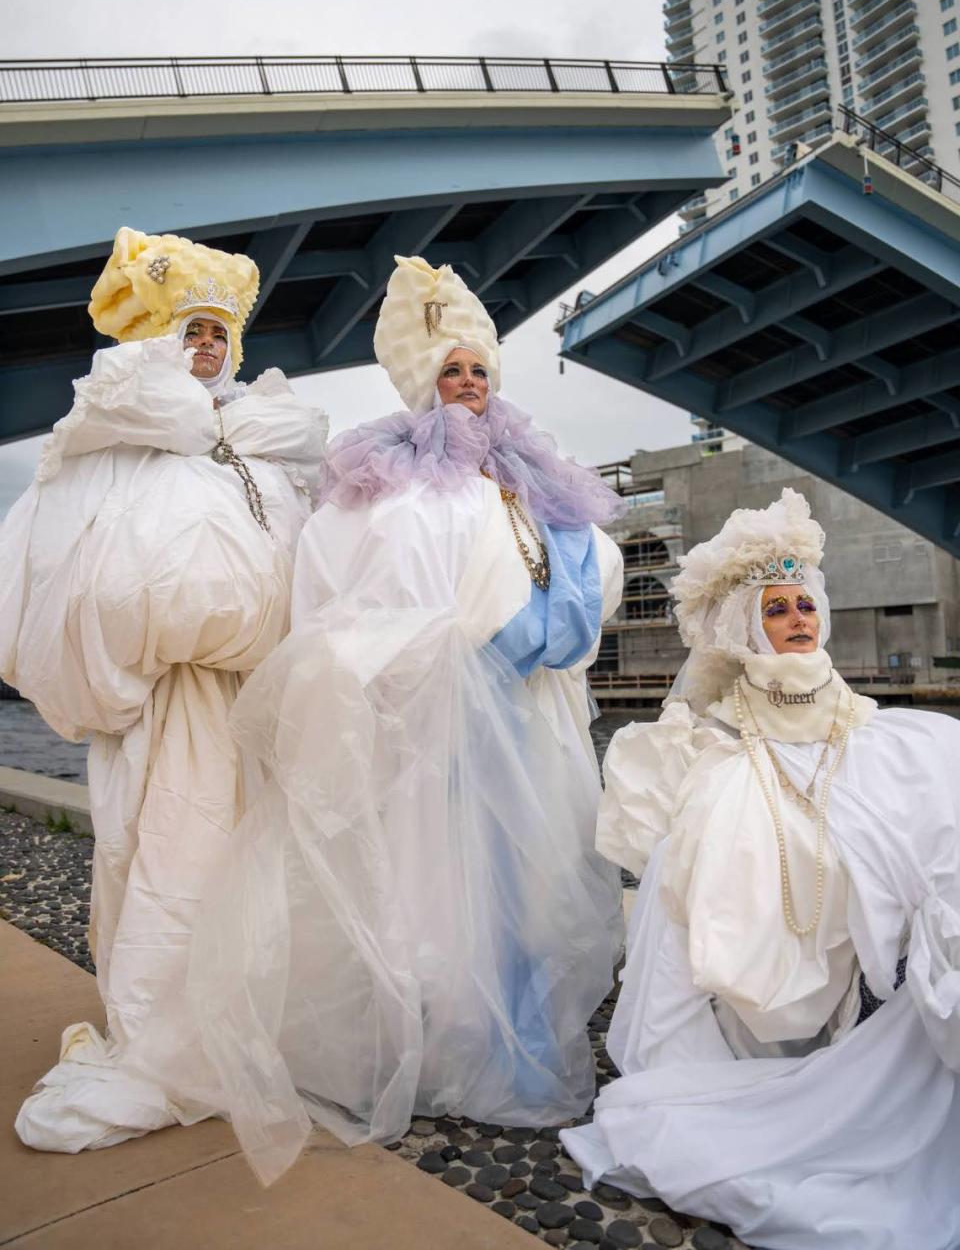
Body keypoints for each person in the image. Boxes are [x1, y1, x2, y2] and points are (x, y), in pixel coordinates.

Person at [170, 254, 626, 1185]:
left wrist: (536, 626)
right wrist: (427, 652)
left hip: (526, 715)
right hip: (424, 718)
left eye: (479, 371)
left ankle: (512, 1035)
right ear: (424, 380)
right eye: (450, 370)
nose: (466, 384)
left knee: (524, 875)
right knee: (431, 873)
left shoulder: (538, 481)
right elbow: (342, 581)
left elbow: (583, 570)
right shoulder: (389, 479)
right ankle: (436, 1036)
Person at [561, 489, 960, 1250]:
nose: (797, 619)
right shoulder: (711, 746)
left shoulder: (880, 735)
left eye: (804, 604)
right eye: (776, 610)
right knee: (706, 851)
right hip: (747, 883)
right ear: (749, 623)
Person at [1, 227, 328, 1154]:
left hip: (254, 701)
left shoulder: (258, 444)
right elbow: (71, 577)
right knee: (166, 866)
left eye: (220, 335)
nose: (209, 350)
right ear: (156, 340)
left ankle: (239, 1032)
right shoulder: (115, 441)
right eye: (192, 332)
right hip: (169, 704)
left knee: (253, 876)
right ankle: (165, 1044)